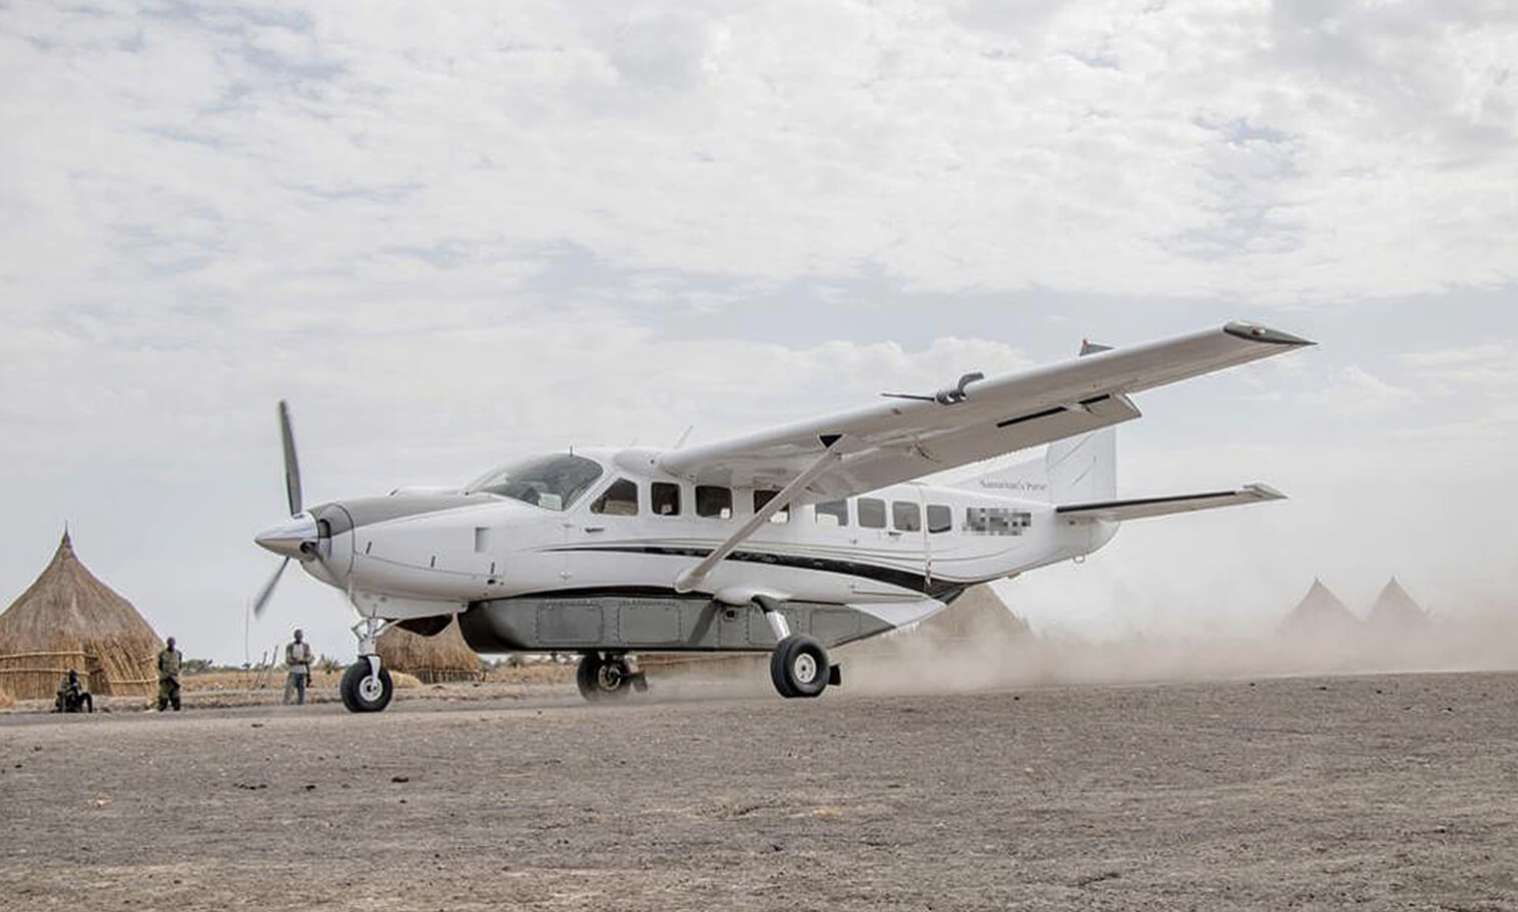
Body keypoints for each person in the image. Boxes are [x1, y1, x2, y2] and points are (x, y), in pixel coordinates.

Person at [283, 629, 313, 706]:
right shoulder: (290, 646)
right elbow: (288, 660)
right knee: (289, 690)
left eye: (300, 636)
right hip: (293, 671)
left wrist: (298, 660)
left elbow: (310, 658)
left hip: (303, 671)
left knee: (302, 690)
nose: (299, 637)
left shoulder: (306, 646)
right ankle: (285, 706)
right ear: (295, 636)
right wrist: (302, 661)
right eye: (297, 636)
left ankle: (301, 706)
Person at [156, 636, 183, 712]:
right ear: (167, 644)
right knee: (163, 697)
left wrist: (175, 672)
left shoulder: (178, 654)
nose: (171, 644)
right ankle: (161, 709)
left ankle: (176, 710)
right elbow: (160, 665)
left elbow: (180, 665)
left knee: (176, 697)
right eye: (170, 643)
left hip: (175, 679)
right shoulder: (162, 654)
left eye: (172, 643)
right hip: (165, 678)